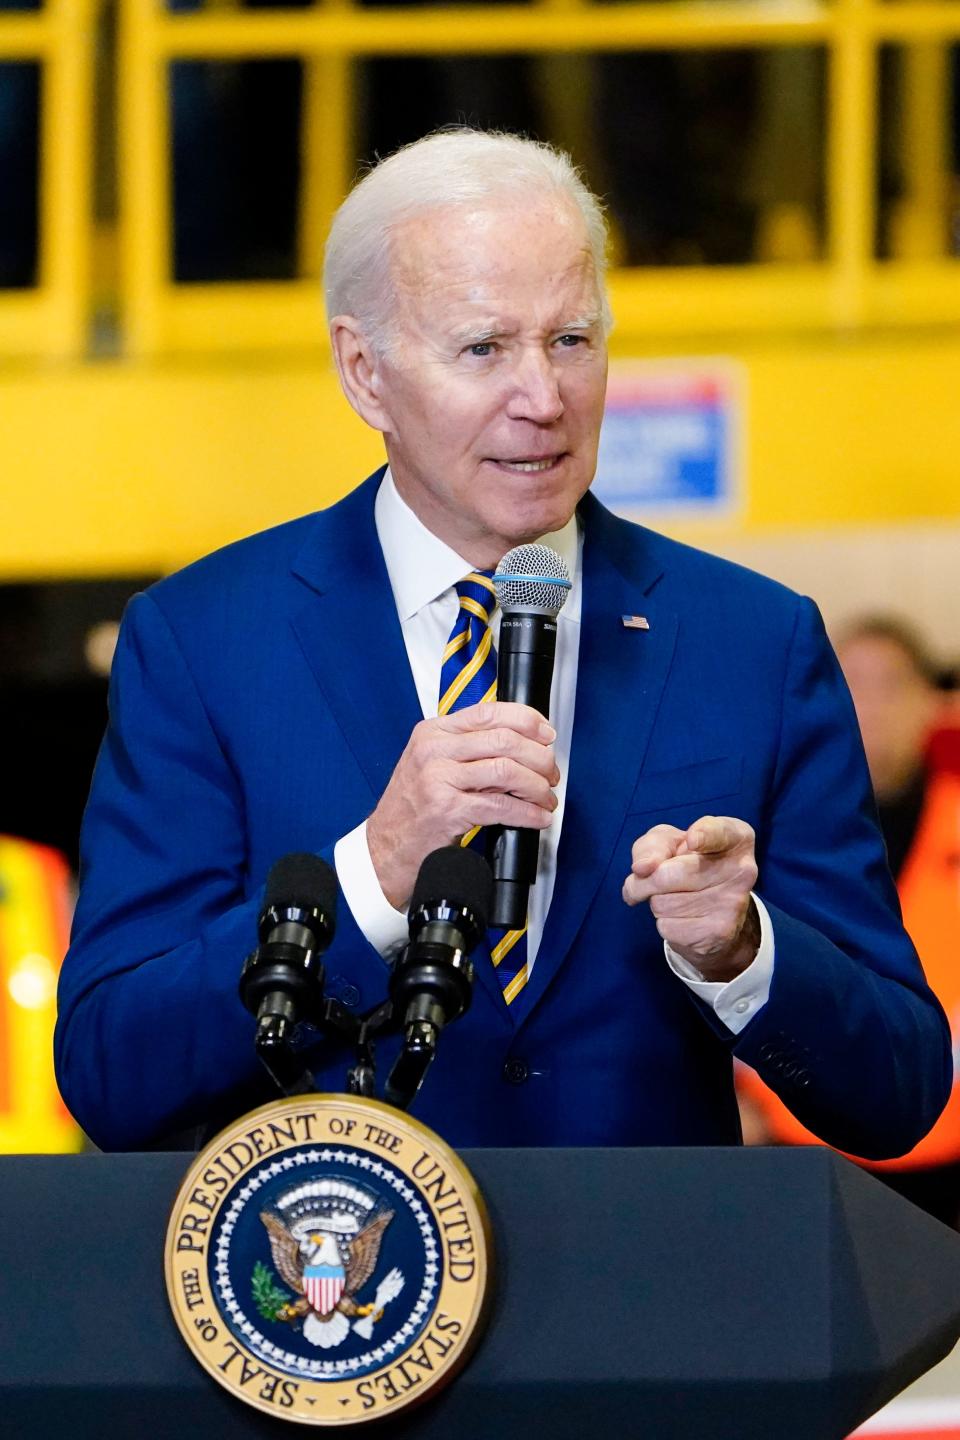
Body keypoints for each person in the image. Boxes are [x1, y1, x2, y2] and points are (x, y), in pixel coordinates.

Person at [55, 130, 950, 1155]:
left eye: (572, 340)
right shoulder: (206, 644)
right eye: (484, 348)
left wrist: (744, 954)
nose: (544, 397)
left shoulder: (752, 640)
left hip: (657, 1297)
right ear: (365, 373)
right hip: (336, 1291)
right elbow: (111, 1075)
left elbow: (902, 1090)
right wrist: (374, 874)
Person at [738, 616, 960, 1226]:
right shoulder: (758, 836)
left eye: (891, 685)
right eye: (851, 684)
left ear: (930, 703)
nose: (871, 707)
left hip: (948, 1172)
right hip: (797, 1160)